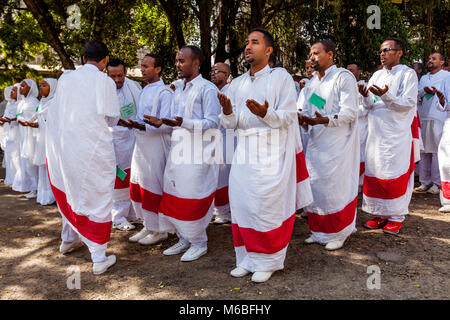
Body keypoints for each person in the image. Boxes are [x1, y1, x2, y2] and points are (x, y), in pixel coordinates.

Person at [218, 28, 313, 283]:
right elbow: (231, 124)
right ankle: (246, 259)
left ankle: (268, 260)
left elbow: (288, 117)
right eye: (247, 43)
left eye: (255, 42)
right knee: (242, 204)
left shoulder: (280, 77)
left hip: (272, 151)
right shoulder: (236, 83)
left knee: (266, 205)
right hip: (244, 151)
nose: (248, 47)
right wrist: (227, 113)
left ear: (268, 50)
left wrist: (264, 114)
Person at [46, 40, 120, 275]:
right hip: (93, 148)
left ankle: (68, 239)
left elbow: (56, 110)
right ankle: (98, 257)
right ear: (105, 60)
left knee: (71, 189)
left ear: (82, 58)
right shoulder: (104, 81)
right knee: (95, 196)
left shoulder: (66, 78)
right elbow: (112, 118)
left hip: (67, 146)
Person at [157, 45, 221, 262]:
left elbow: (213, 122)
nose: (178, 65)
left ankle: (199, 242)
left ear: (196, 63)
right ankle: (183, 237)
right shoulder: (179, 88)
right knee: (177, 194)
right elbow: (177, 120)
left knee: (193, 196)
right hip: (178, 150)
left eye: (182, 61)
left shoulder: (207, 88)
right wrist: (163, 122)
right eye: (177, 60)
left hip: (198, 154)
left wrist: (184, 122)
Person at [298, 41, 359, 251]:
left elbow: (349, 111)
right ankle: (319, 231)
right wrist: (303, 119)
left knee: (335, 188)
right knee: (316, 185)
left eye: (316, 53)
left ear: (330, 54)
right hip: (316, 142)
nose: (312, 57)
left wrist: (324, 121)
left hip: (337, 143)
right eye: (310, 54)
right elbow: (318, 107)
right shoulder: (313, 83)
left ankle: (340, 232)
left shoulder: (343, 77)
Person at [359, 38, 418, 235]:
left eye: (387, 50)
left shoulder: (407, 74)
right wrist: (365, 95)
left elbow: (407, 103)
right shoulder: (376, 74)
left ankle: (396, 216)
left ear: (399, 52)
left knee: (393, 172)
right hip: (376, 133)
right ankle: (380, 214)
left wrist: (386, 96)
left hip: (396, 134)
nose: (382, 54)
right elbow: (369, 105)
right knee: (377, 172)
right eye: (381, 51)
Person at [126, 54, 174, 246]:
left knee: (153, 186)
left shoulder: (164, 92)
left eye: (146, 66)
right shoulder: (143, 91)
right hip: (141, 144)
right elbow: (141, 118)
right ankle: (148, 224)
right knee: (140, 184)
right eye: (141, 66)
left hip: (156, 145)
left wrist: (144, 126)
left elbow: (168, 124)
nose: (142, 69)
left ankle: (160, 229)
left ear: (158, 69)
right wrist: (132, 124)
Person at [106, 58, 142, 231]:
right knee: (119, 178)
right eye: (112, 76)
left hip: (134, 138)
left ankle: (133, 213)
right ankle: (118, 216)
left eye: (120, 75)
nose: (117, 80)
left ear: (125, 73)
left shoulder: (134, 86)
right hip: (114, 141)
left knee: (133, 176)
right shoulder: (103, 90)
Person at [414, 53, 449, 194]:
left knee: (436, 150)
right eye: (429, 59)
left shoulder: (447, 76)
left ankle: (437, 182)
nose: (430, 61)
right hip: (424, 115)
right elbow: (417, 95)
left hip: (438, 116)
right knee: (424, 150)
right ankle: (424, 182)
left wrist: (438, 94)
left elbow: (447, 96)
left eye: (434, 59)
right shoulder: (423, 78)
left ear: (442, 62)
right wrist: (424, 91)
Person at [25, 78, 58, 205]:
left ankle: (52, 195)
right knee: (42, 167)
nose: (41, 88)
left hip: (50, 140)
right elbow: (37, 117)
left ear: (53, 87)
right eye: (40, 86)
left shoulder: (55, 102)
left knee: (50, 166)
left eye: (44, 85)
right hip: (41, 138)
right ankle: (44, 194)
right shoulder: (42, 103)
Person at [210, 62, 233, 225]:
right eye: (212, 71)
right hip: (213, 138)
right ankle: (219, 209)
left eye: (217, 71)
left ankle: (225, 211)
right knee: (216, 175)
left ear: (227, 75)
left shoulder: (231, 91)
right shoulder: (212, 91)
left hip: (229, 138)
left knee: (224, 174)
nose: (213, 73)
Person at [14, 79, 39, 198]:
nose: (20, 88)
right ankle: (31, 186)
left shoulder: (33, 102)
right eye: (21, 86)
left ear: (31, 88)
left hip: (31, 134)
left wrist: (25, 122)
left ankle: (36, 188)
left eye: (23, 86)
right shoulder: (22, 102)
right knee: (24, 161)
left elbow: (35, 118)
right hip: (22, 133)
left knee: (31, 161)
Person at [347, 61, 368, 189]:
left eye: (352, 70)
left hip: (362, 126)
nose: (349, 73)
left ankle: (360, 183)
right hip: (347, 126)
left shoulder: (366, 86)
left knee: (360, 154)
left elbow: (371, 104)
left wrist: (351, 111)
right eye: (347, 70)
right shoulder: (343, 86)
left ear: (359, 71)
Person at [0, 85, 20, 186]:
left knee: (17, 157)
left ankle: (18, 179)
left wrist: (7, 120)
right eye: (11, 90)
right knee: (10, 157)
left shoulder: (20, 104)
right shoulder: (10, 104)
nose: (11, 92)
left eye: (14, 90)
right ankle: (11, 178)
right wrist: (3, 120)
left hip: (16, 133)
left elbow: (18, 118)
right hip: (9, 133)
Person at [436, 77, 450, 212]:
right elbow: (443, 105)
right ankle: (448, 200)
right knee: (446, 163)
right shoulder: (447, 80)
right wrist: (442, 101)